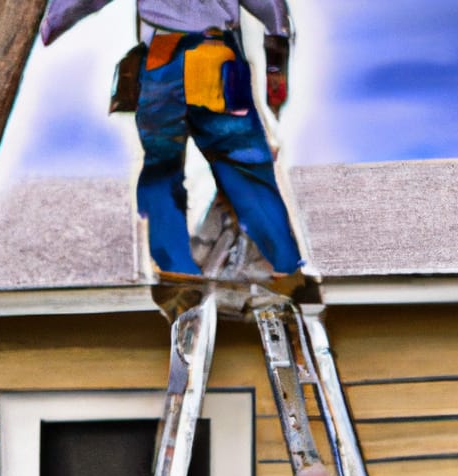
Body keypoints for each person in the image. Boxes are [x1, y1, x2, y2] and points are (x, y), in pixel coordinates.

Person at [41, 0, 303, 279]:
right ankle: (285, 266)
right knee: (246, 169)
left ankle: (175, 272)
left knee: (162, 171)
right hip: (216, 60)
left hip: (162, 61)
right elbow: (272, 11)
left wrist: (49, 25)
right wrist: (276, 62)